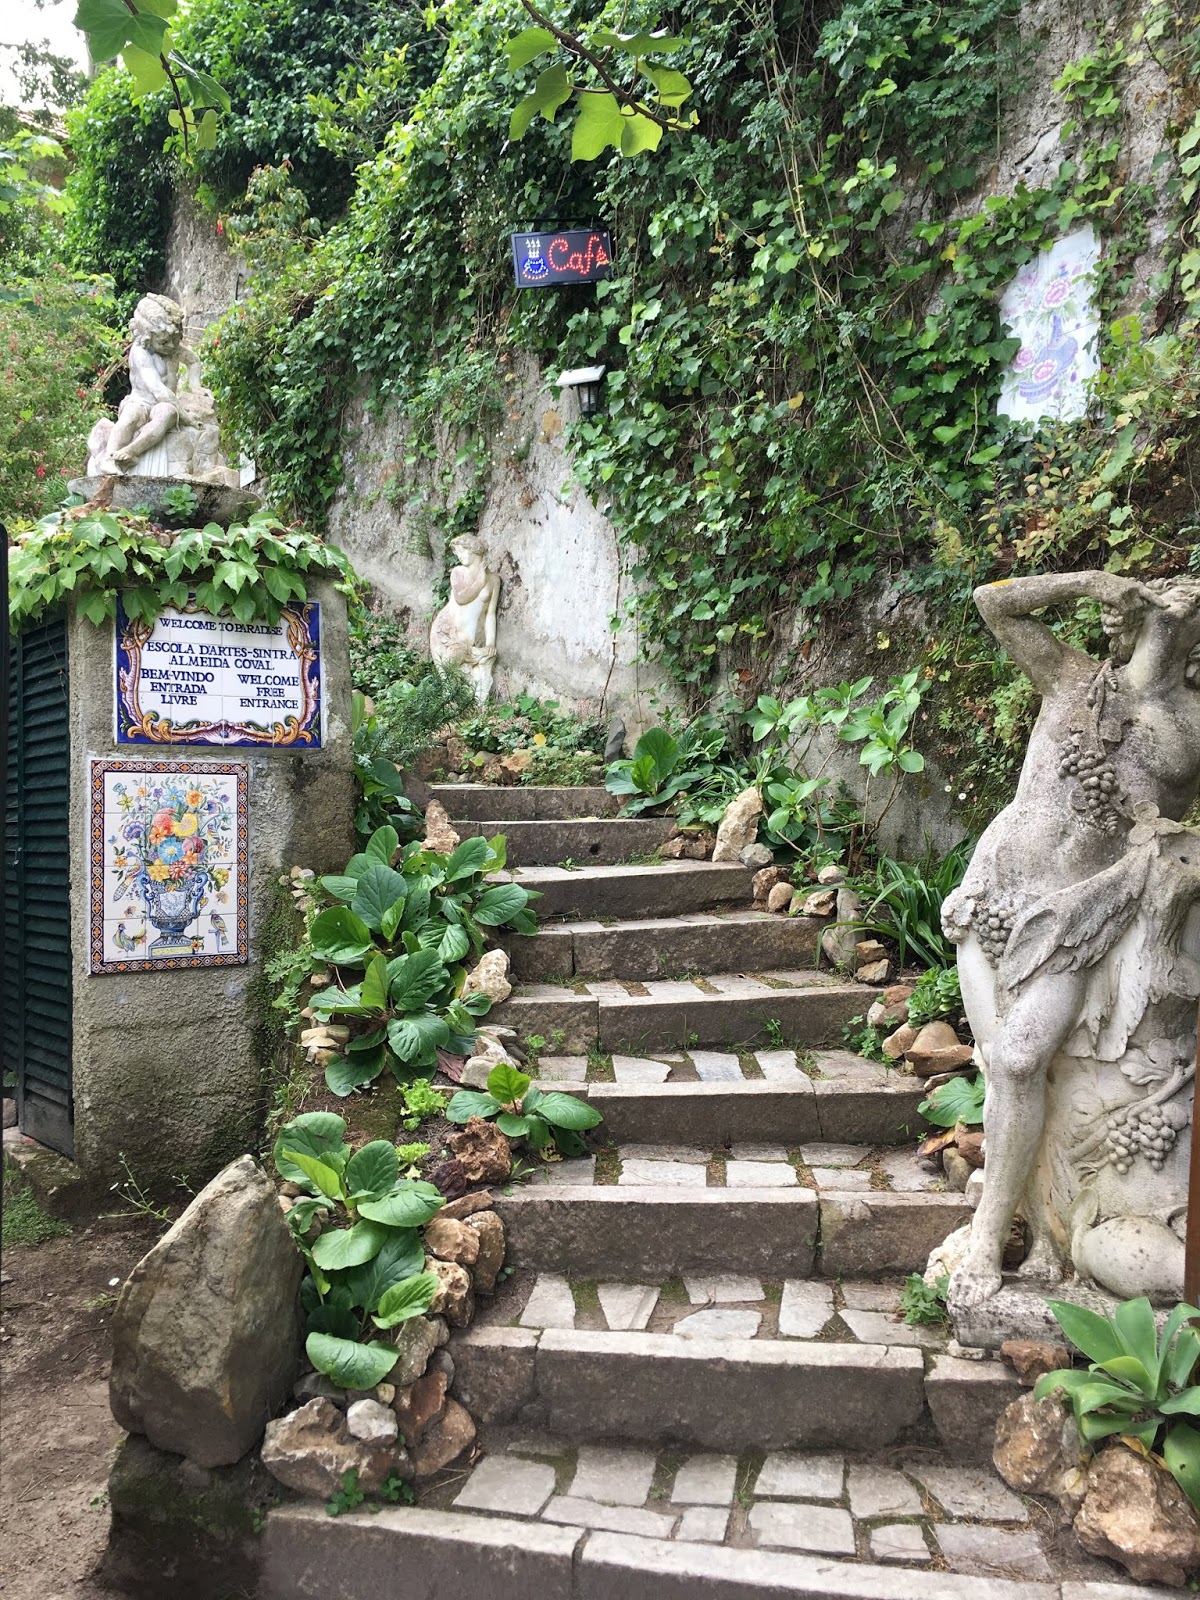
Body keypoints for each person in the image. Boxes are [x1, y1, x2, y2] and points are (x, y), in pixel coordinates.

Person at [943, 570, 1200, 1310]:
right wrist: (1089, 582)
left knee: (1020, 1059)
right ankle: (1036, 1232)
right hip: (994, 893)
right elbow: (992, 603)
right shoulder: (1069, 676)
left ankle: (989, 1238)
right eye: (1163, 595)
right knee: (1003, 1070)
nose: (1172, 607)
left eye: (1187, 607)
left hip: (1074, 918)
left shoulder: (1189, 726)